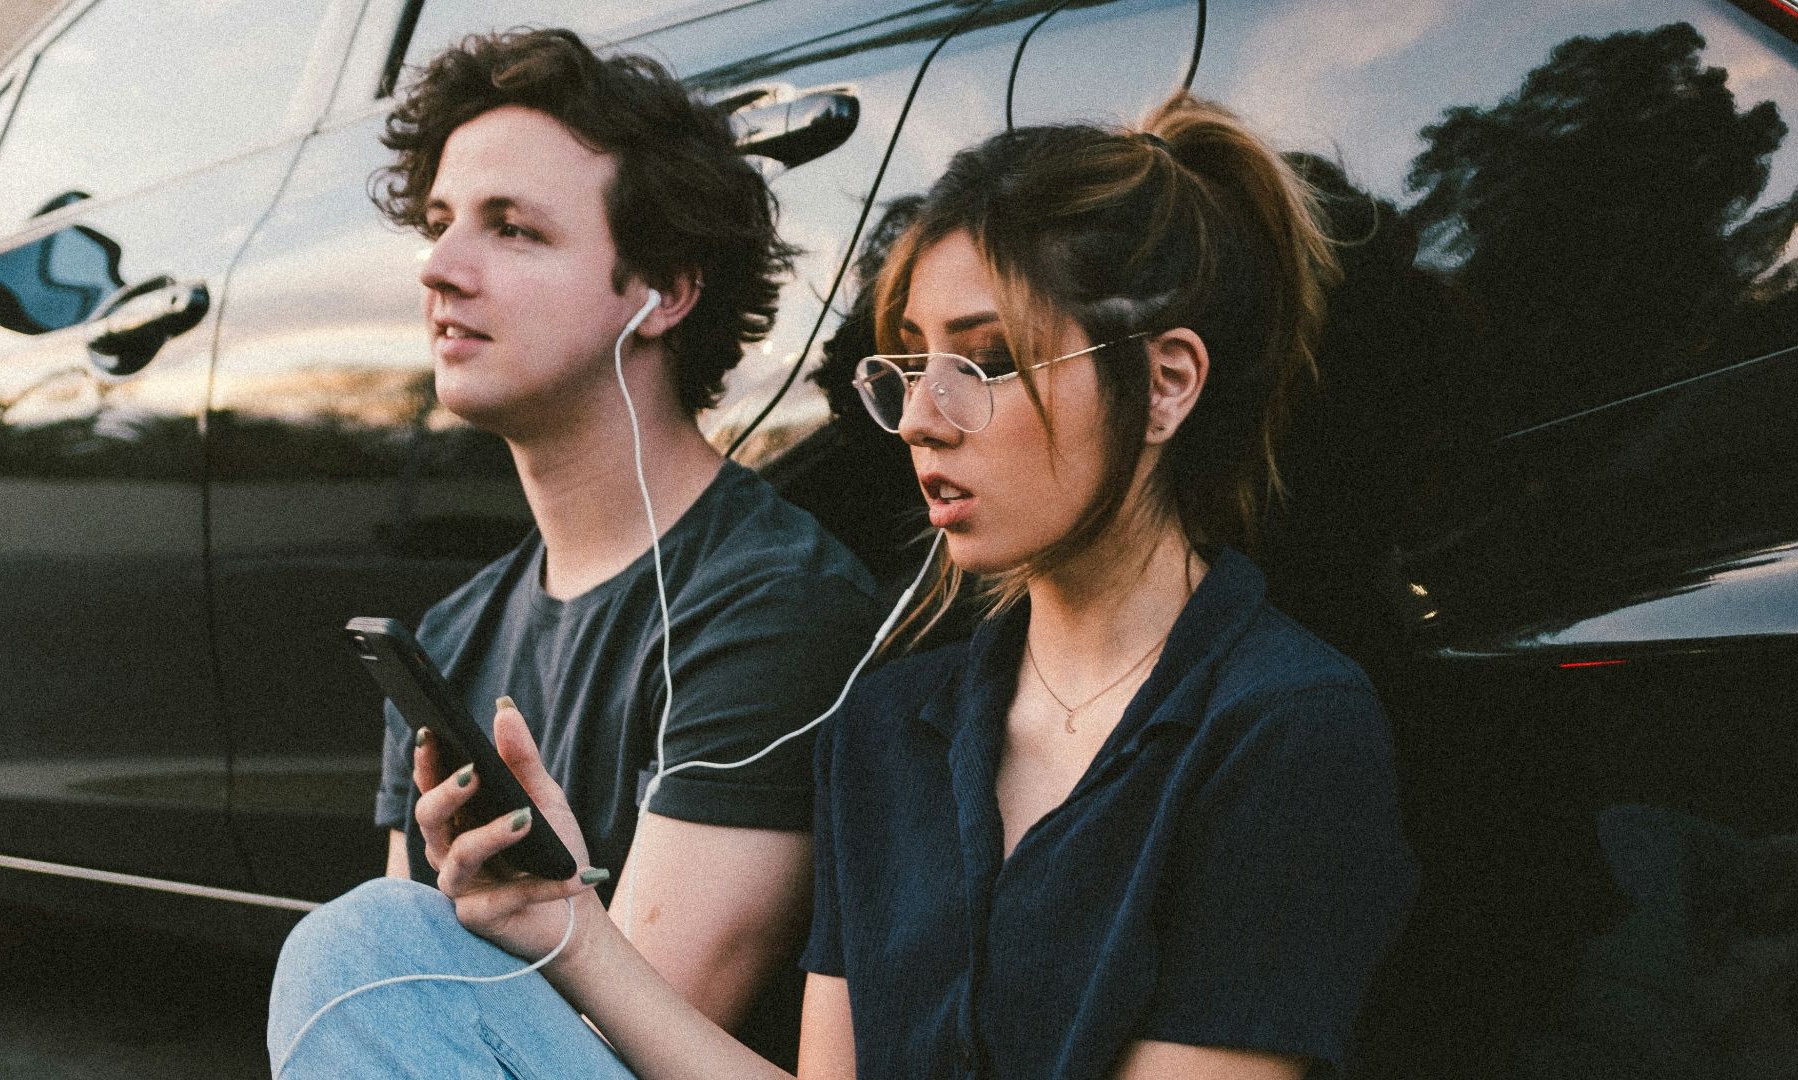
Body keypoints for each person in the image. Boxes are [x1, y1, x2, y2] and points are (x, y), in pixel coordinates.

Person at [271, 89, 1419, 1080]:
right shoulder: (892, 723)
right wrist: (567, 925)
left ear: (1166, 384)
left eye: (987, 362)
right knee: (367, 945)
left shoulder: (1284, 727)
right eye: (910, 361)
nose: (921, 417)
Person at [352, 27, 883, 1064]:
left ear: (665, 292)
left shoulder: (773, 607)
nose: (440, 269)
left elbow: (613, 1051)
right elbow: (404, 993)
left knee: (342, 948)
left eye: (513, 230)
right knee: (357, 943)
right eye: (440, 225)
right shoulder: (449, 637)